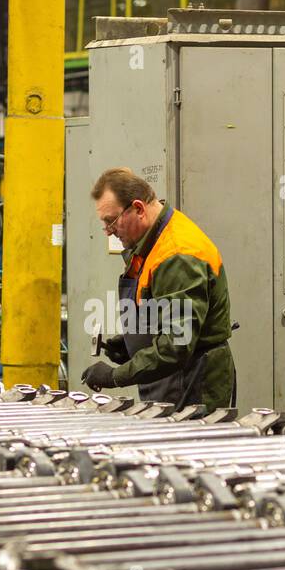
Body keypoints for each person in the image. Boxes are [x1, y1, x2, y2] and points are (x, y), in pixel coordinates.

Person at [81, 167, 235, 408]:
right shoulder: (152, 243)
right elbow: (159, 307)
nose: (109, 232)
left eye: (111, 221)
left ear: (139, 209)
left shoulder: (177, 255)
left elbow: (176, 344)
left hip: (192, 383)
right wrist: (132, 343)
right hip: (170, 377)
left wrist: (114, 376)